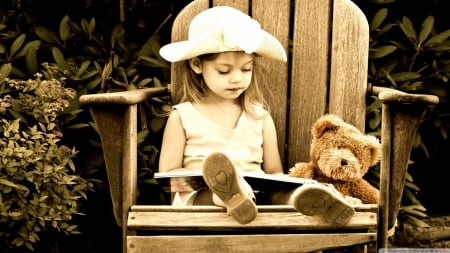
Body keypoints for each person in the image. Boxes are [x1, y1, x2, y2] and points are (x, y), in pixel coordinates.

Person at [158, 6, 354, 225]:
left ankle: (313, 201)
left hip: (256, 200)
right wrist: (214, 179)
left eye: (246, 69)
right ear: (196, 65)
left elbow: (273, 172)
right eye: (224, 71)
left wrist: (291, 185)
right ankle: (228, 195)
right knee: (215, 194)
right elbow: (168, 175)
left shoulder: (259, 118)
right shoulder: (183, 117)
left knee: (280, 194)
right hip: (202, 201)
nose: (237, 79)